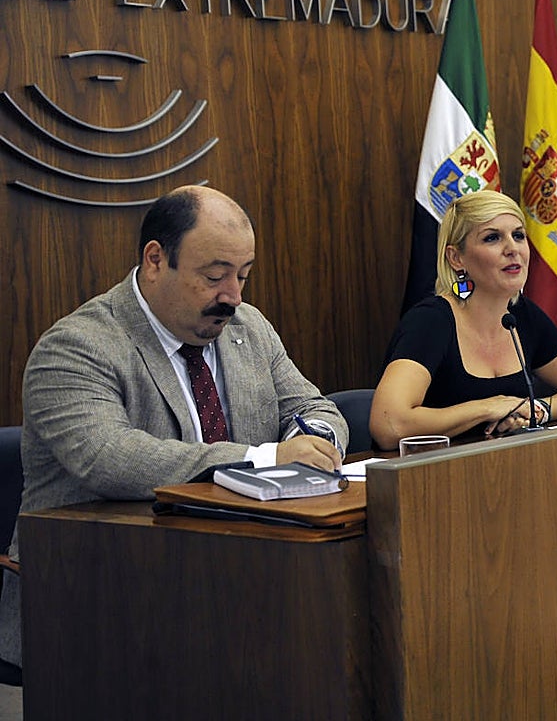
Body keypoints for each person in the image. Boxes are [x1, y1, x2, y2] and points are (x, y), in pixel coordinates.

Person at [0, 185, 347, 668]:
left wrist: (312, 444)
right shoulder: (76, 347)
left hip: (231, 570)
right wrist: (266, 460)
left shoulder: (248, 327)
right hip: (92, 596)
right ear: (156, 259)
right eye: (215, 276)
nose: (233, 296)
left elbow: (314, 408)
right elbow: (108, 458)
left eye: (244, 275)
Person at [371, 191, 557, 444]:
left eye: (518, 235)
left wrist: (536, 408)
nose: (512, 249)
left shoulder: (522, 315)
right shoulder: (431, 322)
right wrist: (488, 408)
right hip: (433, 473)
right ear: (456, 258)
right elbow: (388, 425)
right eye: (492, 238)